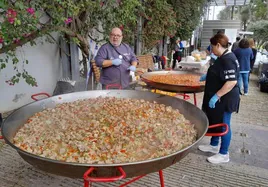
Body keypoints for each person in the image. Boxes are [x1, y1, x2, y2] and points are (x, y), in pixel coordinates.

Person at [198, 33, 240, 164]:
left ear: (218, 45)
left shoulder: (228, 59)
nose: (211, 50)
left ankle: (223, 153)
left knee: (224, 124)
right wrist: (207, 76)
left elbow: (231, 81)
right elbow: (219, 72)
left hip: (225, 99)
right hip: (220, 97)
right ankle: (214, 145)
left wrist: (216, 96)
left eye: (212, 47)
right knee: (215, 119)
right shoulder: (223, 57)